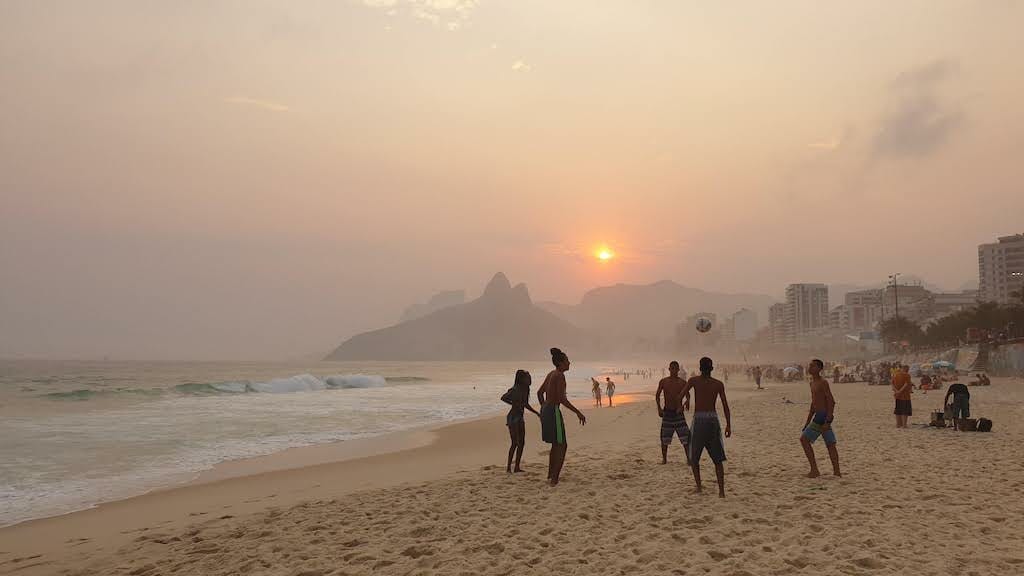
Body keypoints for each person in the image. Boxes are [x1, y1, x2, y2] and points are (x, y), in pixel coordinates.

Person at [680, 357, 732, 497]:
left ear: (700, 368)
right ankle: (721, 491)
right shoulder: (718, 384)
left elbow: (681, 394)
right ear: (712, 369)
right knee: (717, 458)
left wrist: (685, 403)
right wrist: (728, 425)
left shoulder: (694, 381)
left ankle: (699, 487)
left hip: (700, 420)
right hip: (712, 420)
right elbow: (725, 405)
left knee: (694, 457)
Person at [538, 348, 586, 486]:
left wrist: (543, 409)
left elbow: (539, 393)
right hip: (553, 411)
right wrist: (578, 412)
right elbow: (562, 399)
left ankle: (550, 475)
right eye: (567, 361)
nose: (569, 363)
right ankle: (554, 479)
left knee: (555, 444)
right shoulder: (559, 376)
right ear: (560, 363)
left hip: (547, 410)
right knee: (562, 445)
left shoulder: (551, 373)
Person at [800, 359, 841, 478]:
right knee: (830, 444)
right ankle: (837, 472)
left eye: (812, 366)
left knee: (804, 440)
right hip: (819, 415)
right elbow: (813, 404)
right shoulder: (812, 383)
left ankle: (814, 470)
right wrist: (807, 421)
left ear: (819, 368)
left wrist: (828, 420)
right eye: (810, 365)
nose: (810, 367)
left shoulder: (823, 382)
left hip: (822, 416)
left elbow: (831, 401)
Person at [655, 361, 691, 465]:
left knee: (685, 437)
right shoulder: (663, 381)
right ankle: (664, 459)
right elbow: (657, 395)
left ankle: (689, 459)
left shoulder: (682, 382)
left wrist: (686, 403)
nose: (674, 371)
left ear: (678, 370)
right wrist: (659, 409)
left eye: (676, 369)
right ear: (669, 369)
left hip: (678, 413)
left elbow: (688, 395)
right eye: (672, 369)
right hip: (667, 412)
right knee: (664, 438)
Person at [505, 369, 539, 473]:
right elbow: (503, 397)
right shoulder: (515, 389)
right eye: (528, 378)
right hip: (513, 418)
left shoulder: (526, 389)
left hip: (520, 417)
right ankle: (508, 468)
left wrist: (536, 413)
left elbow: (525, 404)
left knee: (522, 443)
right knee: (515, 443)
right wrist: (514, 403)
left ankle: (517, 467)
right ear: (522, 379)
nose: (530, 380)